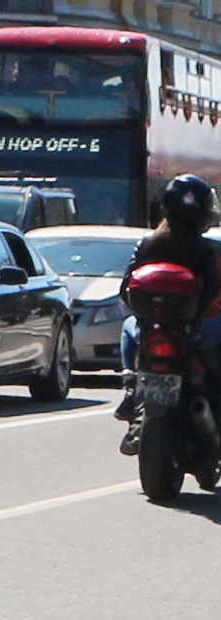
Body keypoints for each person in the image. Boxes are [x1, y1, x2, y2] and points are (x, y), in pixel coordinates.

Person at [115, 174, 221, 454]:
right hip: (193, 329)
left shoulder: (148, 243)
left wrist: (144, 318)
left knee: (128, 328)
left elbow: (125, 287)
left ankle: (130, 386)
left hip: (150, 327)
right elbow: (212, 289)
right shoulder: (205, 248)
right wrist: (195, 317)